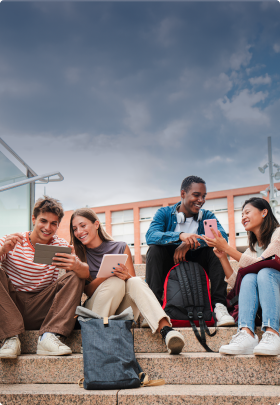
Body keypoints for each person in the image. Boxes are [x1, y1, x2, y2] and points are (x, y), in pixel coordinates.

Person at [70, 208, 185, 355]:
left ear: (96, 224)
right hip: (96, 310)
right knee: (114, 282)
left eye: (83, 225)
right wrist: (105, 276)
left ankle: (167, 330)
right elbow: (87, 291)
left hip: (121, 312)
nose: (79, 232)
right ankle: (92, 337)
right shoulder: (78, 254)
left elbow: (134, 286)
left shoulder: (120, 247)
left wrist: (126, 276)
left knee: (135, 281)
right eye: (75, 229)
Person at [0, 196, 89, 359]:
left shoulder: (60, 245)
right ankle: (10, 338)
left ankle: (50, 335)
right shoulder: (11, 240)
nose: (48, 227)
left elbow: (85, 273)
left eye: (53, 223)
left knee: (75, 275)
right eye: (43, 221)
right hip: (11, 306)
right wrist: (2, 250)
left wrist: (76, 265)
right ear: (33, 219)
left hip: (43, 307)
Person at [145, 175, 235, 327]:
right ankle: (154, 309)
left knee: (216, 248)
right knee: (154, 250)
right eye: (196, 195)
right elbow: (151, 236)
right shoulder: (164, 213)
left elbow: (223, 237)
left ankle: (219, 307)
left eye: (203, 196)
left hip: (197, 261)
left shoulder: (207, 216)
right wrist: (180, 236)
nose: (201, 200)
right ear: (182, 194)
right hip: (171, 261)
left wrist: (190, 243)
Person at [202, 197, 280, 355]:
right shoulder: (252, 248)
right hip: (263, 298)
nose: (243, 217)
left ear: (264, 212)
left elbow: (262, 262)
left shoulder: (278, 234)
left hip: (275, 290)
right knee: (249, 277)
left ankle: (273, 333)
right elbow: (236, 281)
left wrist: (228, 248)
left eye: (247, 212)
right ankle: (246, 333)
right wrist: (223, 256)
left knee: (263, 271)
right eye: (241, 214)